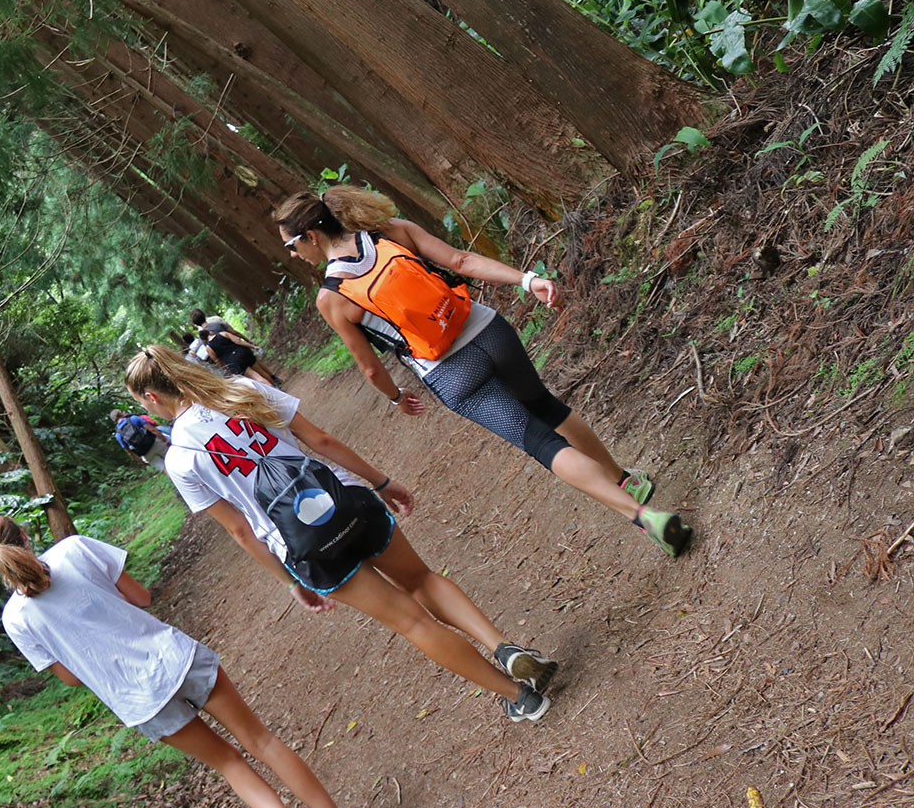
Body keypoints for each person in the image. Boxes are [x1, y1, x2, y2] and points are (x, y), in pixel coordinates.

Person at [125, 345, 557, 723]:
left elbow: (240, 530)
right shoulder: (243, 390)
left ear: (152, 396)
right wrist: (382, 482)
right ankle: (505, 649)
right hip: (346, 501)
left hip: (303, 545)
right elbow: (321, 440)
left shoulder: (181, 461)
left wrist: (292, 583)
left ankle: (520, 698)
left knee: (410, 621)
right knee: (423, 580)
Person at [273, 187, 691, 557]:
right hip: (489, 331)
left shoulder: (331, 298)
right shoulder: (391, 231)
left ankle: (641, 515)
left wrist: (397, 398)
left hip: (450, 372)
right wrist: (528, 281)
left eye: (292, 244)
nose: (293, 254)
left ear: (311, 235)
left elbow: (370, 368)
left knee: (541, 443)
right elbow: (461, 260)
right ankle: (624, 480)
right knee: (548, 407)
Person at [0, 514, 379, 808]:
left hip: (137, 701)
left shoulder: (15, 620)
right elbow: (142, 597)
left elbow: (70, 679)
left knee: (228, 763)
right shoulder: (73, 549)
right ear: (25, 536)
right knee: (262, 742)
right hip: (173, 659)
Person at [190, 309, 279, 387]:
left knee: (255, 378)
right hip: (242, 350)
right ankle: (274, 380)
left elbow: (215, 358)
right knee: (260, 369)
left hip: (234, 363)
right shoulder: (217, 322)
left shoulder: (203, 340)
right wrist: (249, 341)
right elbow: (235, 334)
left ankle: (273, 391)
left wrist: (228, 370)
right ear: (204, 315)